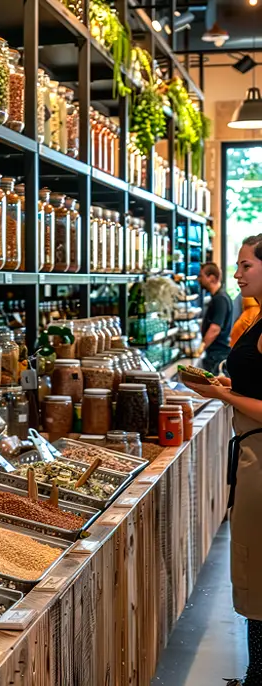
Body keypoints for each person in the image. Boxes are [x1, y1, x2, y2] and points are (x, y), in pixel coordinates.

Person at [177, 234, 262, 686]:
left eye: (245, 265)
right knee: (253, 569)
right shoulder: (257, 319)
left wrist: (217, 393)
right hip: (252, 454)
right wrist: (226, 389)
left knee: (259, 572)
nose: (236, 274)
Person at [203, 261, 236, 375]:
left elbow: (215, 329)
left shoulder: (220, 299)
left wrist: (200, 349)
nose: (198, 279)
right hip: (217, 353)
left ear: (211, 278)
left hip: (217, 355)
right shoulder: (221, 297)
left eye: (201, 276)